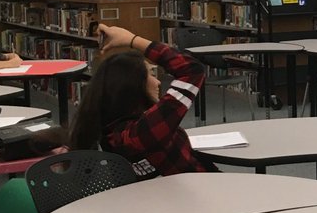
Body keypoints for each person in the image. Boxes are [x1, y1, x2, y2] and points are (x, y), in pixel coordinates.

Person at [68, 24, 216, 179]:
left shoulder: (111, 131)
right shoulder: (144, 131)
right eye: (151, 74)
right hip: (199, 187)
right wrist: (133, 40)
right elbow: (192, 70)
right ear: (133, 86)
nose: (158, 82)